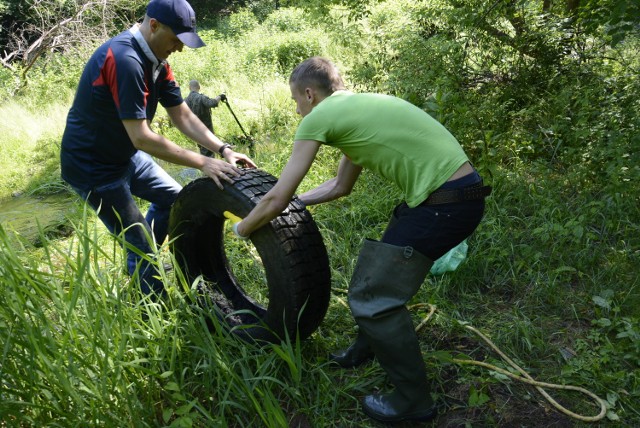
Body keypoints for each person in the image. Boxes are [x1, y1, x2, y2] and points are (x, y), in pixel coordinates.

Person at [227, 56, 491, 423]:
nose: (297, 109)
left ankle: (413, 402)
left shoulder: (320, 117)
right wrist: (296, 205)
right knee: (373, 274)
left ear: (309, 94)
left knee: (372, 297)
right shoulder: (356, 109)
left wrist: (242, 227)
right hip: (452, 196)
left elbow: (276, 196)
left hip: (444, 206)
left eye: (295, 101)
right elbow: (340, 186)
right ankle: (367, 347)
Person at [60, 0, 256, 296]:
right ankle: (152, 305)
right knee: (140, 245)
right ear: (154, 25)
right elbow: (141, 137)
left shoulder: (157, 61)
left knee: (174, 201)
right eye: (176, 39)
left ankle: (143, 263)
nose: (180, 48)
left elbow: (181, 114)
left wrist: (223, 149)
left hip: (126, 155)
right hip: (94, 168)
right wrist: (202, 163)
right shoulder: (124, 59)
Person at [184, 79, 226, 156]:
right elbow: (212, 103)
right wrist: (220, 96)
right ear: (199, 87)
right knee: (209, 153)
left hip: (195, 131)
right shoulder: (201, 98)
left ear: (189, 88)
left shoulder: (186, 100)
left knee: (203, 151)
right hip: (206, 131)